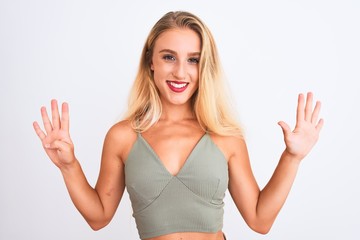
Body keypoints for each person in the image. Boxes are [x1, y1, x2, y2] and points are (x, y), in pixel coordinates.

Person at [33, 11, 324, 240]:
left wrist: (292, 157)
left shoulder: (225, 136)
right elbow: (98, 217)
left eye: (193, 60)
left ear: (204, 66)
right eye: (169, 57)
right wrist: (69, 166)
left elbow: (260, 220)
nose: (180, 71)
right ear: (151, 61)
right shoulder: (122, 137)